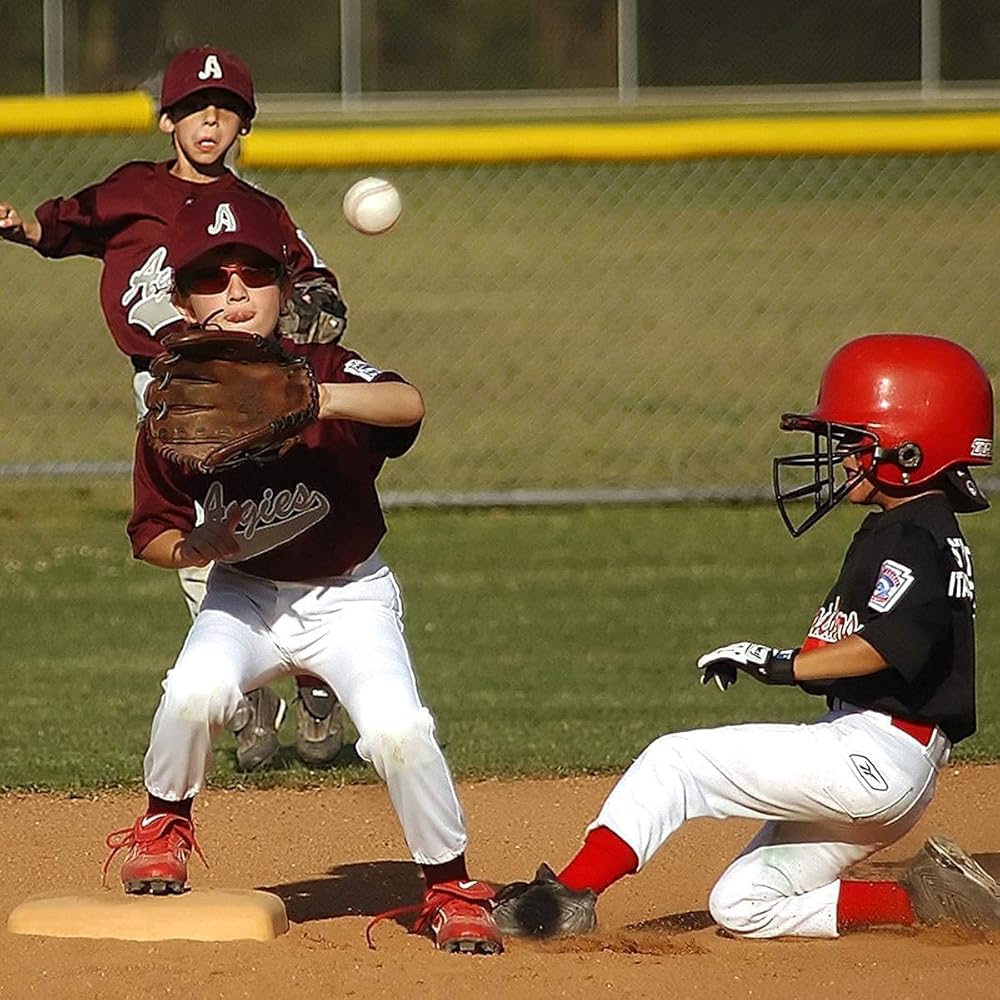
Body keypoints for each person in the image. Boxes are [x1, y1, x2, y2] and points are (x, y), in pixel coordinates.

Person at [102, 186, 504, 955]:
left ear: (285, 288)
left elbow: (407, 404)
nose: (236, 294)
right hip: (245, 597)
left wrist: (320, 398)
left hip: (349, 599)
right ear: (182, 301)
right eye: (212, 279)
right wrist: (192, 550)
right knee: (193, 691)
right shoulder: (178, 399)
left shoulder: (324, 368)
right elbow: (151, 529)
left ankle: (451, 888)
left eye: (254, 275)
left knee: (398, 731)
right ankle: (164, 824)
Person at [494, 333, 1000, 940]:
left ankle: (563, 901)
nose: (843, 459)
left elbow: (883, 647)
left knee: (676, 762)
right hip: (885, 763)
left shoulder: (914, 536)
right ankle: (922, 903)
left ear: (911, 449)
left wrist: (779, 664)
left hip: (873, 756)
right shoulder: (917, 528)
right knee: (742, 905)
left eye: (856, 443)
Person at [0, 46, 345, 771]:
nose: (209, 122)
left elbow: (312, 277)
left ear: (245, 126)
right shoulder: (131, 191)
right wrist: (24, 229)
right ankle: (250, 693)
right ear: (167, 121)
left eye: (225, 111)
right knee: (196, 544)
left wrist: (317, 301)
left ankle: (317, 679)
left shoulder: (260, 211)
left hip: (250, 390)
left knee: (278, 525)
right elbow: (65, 225)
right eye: (193, 109)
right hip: (162, 389)